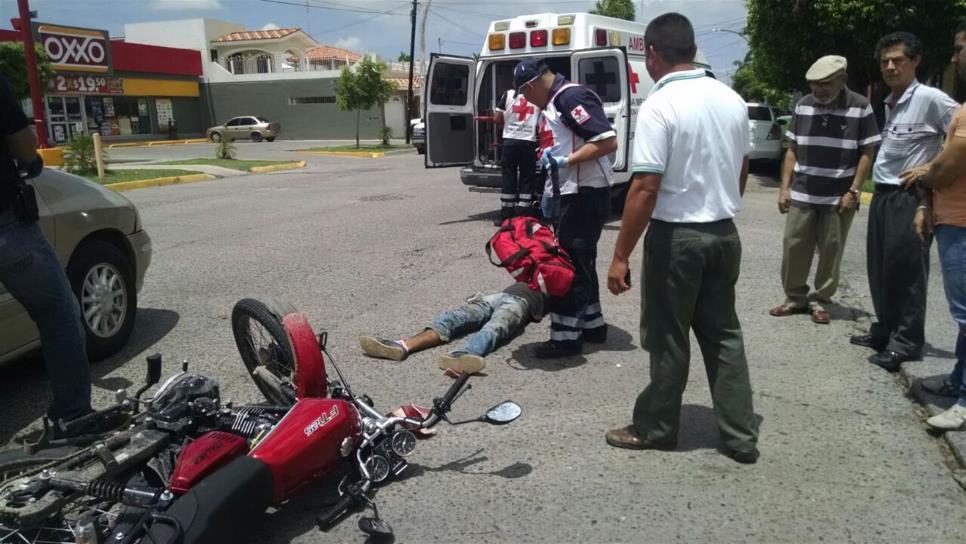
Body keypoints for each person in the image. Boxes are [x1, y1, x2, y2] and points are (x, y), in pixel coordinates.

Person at [604, 13, 759, 463]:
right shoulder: (731, 98)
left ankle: (656, 427)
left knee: (668, 337)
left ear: (652, 53)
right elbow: (742, 166)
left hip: (677, 239)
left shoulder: (660, 104)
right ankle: (740, 436)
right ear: (691, 49)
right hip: (723, 234)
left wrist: (619, 256)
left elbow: (645, 187)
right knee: (723, 335)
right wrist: (723, 205)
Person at [851, 32, 959, 371]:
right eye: (885, 60)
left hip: (909, 196)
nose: (890, 65)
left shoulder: (930, 98)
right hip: (883, 194)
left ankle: (907, 341)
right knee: (882, 266)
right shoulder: (889, 99)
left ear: (915, 60)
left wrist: (931, 166)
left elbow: (959, 134)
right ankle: (885, 329)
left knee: (907, 271)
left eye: (898, 59)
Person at [0, 74, 97, 436]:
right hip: (6, 227)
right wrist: (31, 160)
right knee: (60, 316)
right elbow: (20, 138)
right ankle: (72, 417)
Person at [514, 58, 617, 358]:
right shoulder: (557, 100)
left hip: (583, 194)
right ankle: (593, 325)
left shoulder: (570, 97)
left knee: (569, 267)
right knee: (582, 262)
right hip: (573, 193)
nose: (526, 100)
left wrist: (566, 161)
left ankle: (566, 338)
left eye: (524, 93)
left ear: (531, 85)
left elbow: (607, 140)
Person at [770, 55, 880, 324]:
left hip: (838, 195)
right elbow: (792, 150)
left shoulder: (860, 107)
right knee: (793, 247)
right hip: (804, 192)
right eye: (814, 85)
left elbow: (867, 152)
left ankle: (821, 301)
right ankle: (795, 298)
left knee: (832, 250)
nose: (819, 90)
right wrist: (785, 189)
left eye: (826, 84)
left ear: (842, 80)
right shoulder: (804, 106)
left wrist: (853, 191)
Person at [912, 22, 966, 430]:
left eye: (959, 48)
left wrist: (923, 176)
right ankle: (958, 381)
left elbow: (951, 162)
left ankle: (964, 401)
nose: (954, 57)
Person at [358, 281, 548, 374]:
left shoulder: (565, 278)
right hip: (497, 296)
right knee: (454, 317)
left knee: (495, 327)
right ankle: (402, 346)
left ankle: (462, 356)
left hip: (520, 304)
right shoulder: (541, 262)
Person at [493, 88, 541, 225]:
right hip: (528, 142)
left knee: (509, 176)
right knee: (527, 177)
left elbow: (497, 118)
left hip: (510, 142)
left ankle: (506, 215)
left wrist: (510, 122)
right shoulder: (536, 96)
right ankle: (523, 215)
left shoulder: (507, 94)